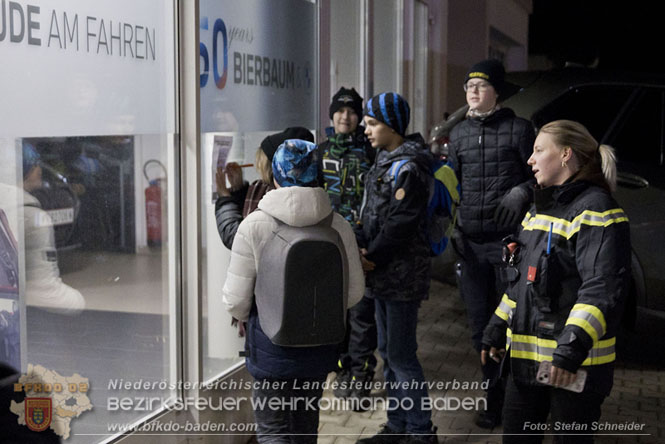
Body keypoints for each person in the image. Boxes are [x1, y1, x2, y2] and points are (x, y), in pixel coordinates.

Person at [481, 120, 630, 443]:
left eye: (538, 150)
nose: (530, 160)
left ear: (565, 154)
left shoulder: (597, 212)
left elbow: (600, 291)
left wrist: (568, 353)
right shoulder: (539, 210)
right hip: (527, 362)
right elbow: (523, 284)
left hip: (573, 367)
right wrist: (497, 325)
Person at [222, 139, 365, 443]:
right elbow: (353, 295)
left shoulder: (254, 225)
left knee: (273, 430)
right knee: (304, 428)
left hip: (271, 349)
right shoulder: (338, 225)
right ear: (317, 176)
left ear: (274, 176)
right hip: (320, 349)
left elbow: (236, 302)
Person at [447, 58, 536, 428]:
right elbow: (448, 186)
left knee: (509, 328)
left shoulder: (519, 130)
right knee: (479, 329)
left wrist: (522, 190)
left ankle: (514, 404)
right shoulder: (458, 135)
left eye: (480, 85)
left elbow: (543, 178)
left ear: (497, 92)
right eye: (469, 85)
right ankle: (492, 401)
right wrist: (451, 224)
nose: (472, 90)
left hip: (506, 247)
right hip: (470, 248)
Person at [356, 92, 437, 444]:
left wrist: (371, 255)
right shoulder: (385, 160)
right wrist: (362, 245)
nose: (366, 130)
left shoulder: (410, 167)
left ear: (392, 125)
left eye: (372, 124)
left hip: (401, 275)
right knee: (388, 353)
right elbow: (370, 214)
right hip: (383, 274)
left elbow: (400, 224)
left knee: (402, 356)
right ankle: (398, 425)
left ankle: (421, 432)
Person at [317, 87, 377, 400]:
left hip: (362, 243)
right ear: (331, 114)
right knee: (334, 314)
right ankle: (341, 368)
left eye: (352, 111)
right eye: (340, 111)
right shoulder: (321, 152)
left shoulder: (371, 151)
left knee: (362, 315)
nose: (345, 116)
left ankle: (361, 375)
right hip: (328, 244)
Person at [215, 127, 314, 249]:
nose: (257, 165)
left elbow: (237, 238)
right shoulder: (309, 192)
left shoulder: (276, 197)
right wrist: (239, 189)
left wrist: (225, 198)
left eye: (261, 159)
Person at [21, 143, 85, 315]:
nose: (39, 170)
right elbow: (45, 291)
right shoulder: (32, 218)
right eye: (35, 164)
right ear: (24, 171)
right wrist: (80, 303)